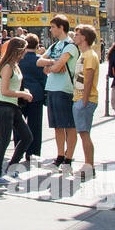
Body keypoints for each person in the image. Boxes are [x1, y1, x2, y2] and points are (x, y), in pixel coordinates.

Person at [37, 14, 79, 171]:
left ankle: (68, 158)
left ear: (61, 28)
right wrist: (52, 64)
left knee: (69, 125)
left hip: (65, 89)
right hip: (52, 88)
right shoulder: (54, 46)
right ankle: (60, 155)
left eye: (53, 27)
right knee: (57, 126)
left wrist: (51, 67)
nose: (50, 29)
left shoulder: (70, 45)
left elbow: (59, 66)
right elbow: (39, 61)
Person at [0, 37, 33, 184]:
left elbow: (13, 87)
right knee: (5, 140)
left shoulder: (15, 65)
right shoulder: (8, 66)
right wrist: (23, 94)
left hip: (11, 105)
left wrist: (22, 91)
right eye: (24, 49)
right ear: (18, 50)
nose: (25, 53)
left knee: (27, 137)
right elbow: (5, 90)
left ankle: (11, 167)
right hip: (4, 105)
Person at [69, 25, 100, 179]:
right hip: (81, 98)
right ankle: (89, 165)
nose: (75, 36)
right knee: (83, 133)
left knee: (84, 133)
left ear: (85, 37)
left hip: (84, 99)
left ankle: (89, 165)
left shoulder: (89, 55)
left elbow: (88, 79)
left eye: (77, 34)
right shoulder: (84, 54)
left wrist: (85, 100)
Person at [18, 34, 47, 162]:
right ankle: (32, 152)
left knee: (18, 124)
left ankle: (19, 148)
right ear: (37, 45)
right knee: (35, 124)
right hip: (36, 95)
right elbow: (44, 78)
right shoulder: (40, 60)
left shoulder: (19, 59)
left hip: (20, 94)